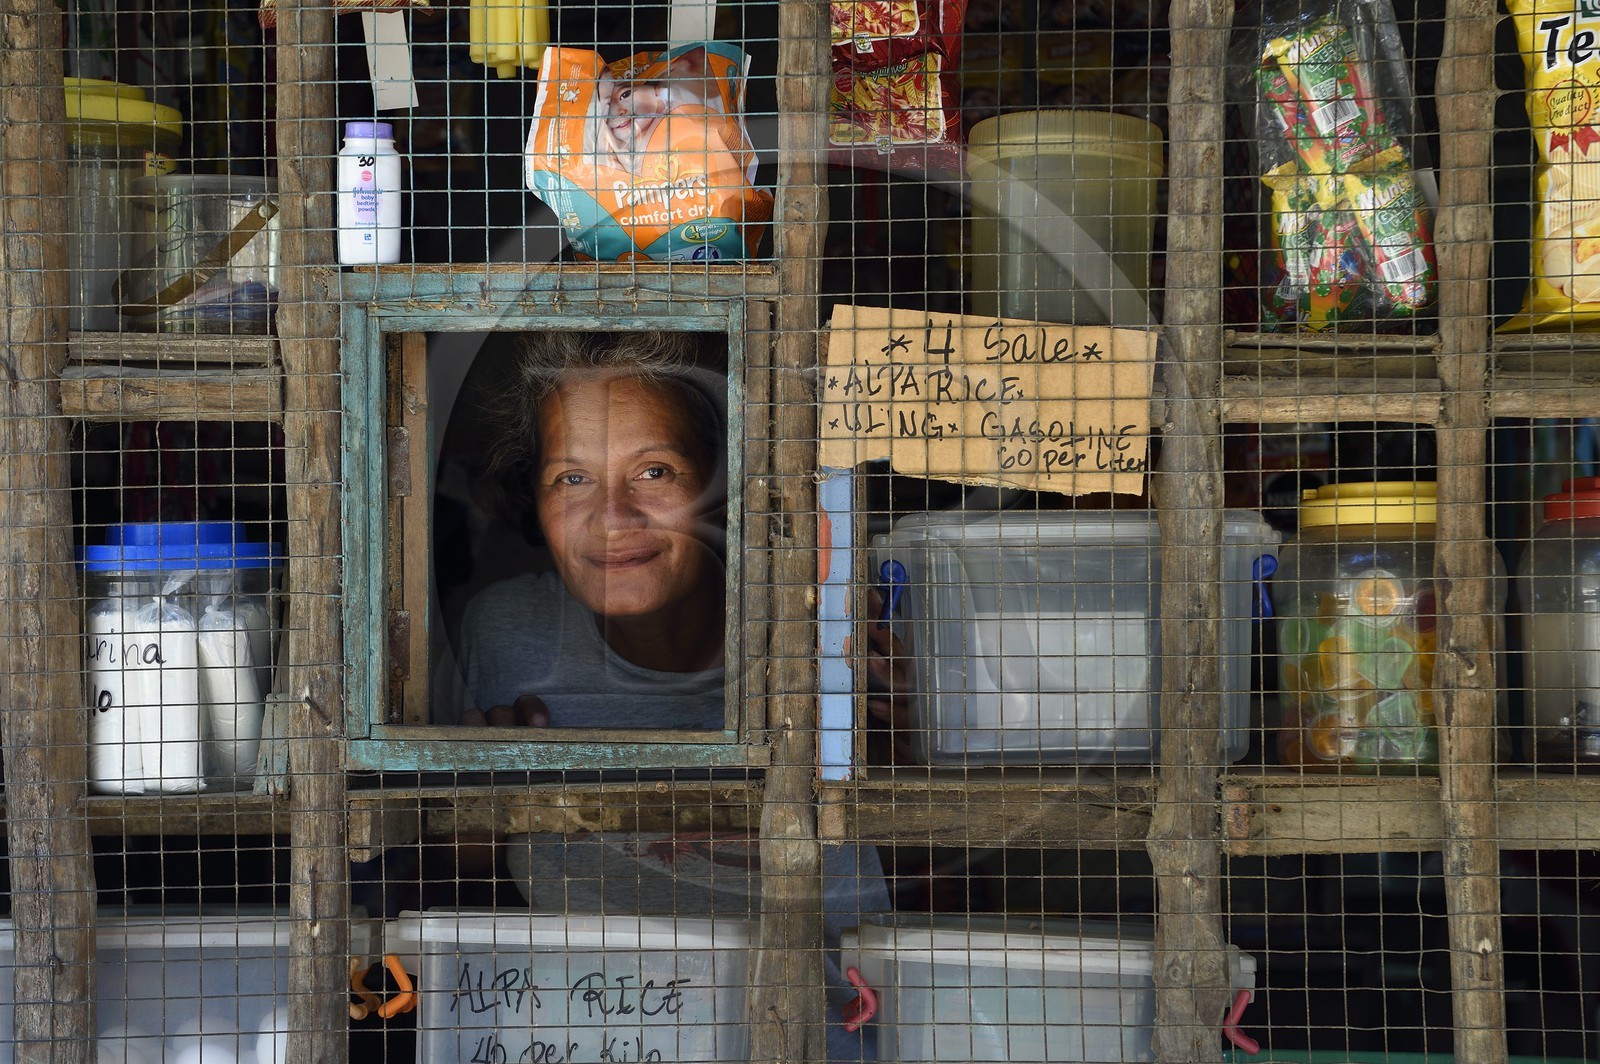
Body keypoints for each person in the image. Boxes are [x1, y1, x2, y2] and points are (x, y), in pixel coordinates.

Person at [448, 331, 890, 1062]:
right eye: (572, 479)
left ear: (724, 484)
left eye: (655, 471)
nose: (613, 518)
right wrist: (480, 816)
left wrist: (914, 759)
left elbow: (957, 917)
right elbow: (457, 913)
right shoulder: (508, 636)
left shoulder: (833, 634)